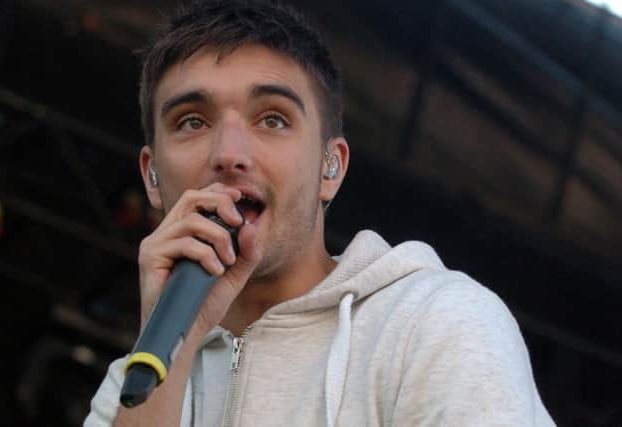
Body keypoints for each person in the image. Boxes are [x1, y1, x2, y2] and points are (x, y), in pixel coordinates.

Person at [85, 1, 556, 426]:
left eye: (272, 119)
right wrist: (173, 344)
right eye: (192, 121)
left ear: (331, 168)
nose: (229, 154)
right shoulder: (127, 389)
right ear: (150, 175)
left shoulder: (436, 322)